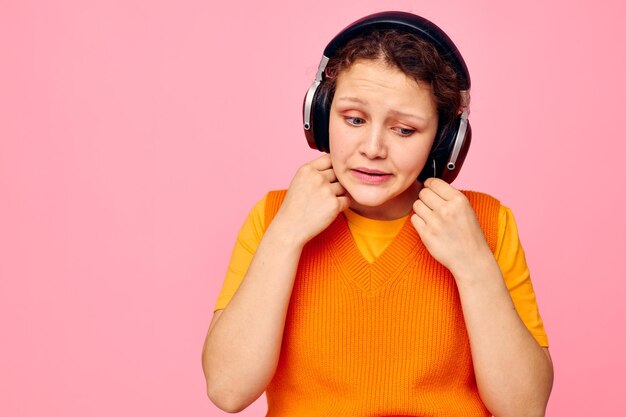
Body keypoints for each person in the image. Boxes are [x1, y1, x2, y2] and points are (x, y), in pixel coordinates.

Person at [202, 11, 553, 417]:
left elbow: (525, 409)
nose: (373, 147)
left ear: (445, 142)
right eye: (353, 119)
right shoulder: (273, 217)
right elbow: (228, 390)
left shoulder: (488, 223)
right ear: (319, 115)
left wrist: (473, 264)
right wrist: (286, 236)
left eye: (404, 130)